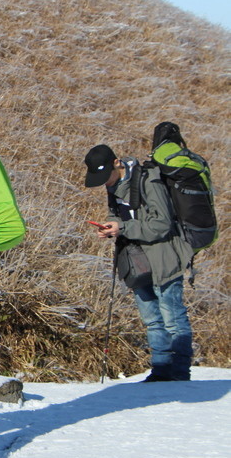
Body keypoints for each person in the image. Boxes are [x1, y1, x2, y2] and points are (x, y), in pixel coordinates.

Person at [83, 144, 194, 381]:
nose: (105, 182)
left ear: (117, 163)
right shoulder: (113, 186)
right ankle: (161, 370)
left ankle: (180, 375)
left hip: (164, 257)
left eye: (106, 176)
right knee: (152, 320)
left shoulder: (148, 181)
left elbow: (162, 224)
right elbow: (117, 214)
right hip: (136, 259)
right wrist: (110, 228)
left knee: (172, 319)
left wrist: (123, 227)